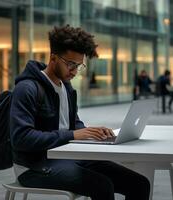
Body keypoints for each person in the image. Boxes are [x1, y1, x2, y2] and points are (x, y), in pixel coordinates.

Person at [10, 25, 150, 200]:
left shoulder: (66, 87)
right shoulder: (27, 89)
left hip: (68, 157)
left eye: (79, 65)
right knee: (102, 186)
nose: (75, 71)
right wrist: (73, 134)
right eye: (70, 64)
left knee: (140, 184)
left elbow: (72, 124)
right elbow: (21, 138)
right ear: (53, 57)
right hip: (34, 166)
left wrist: (92, 133)